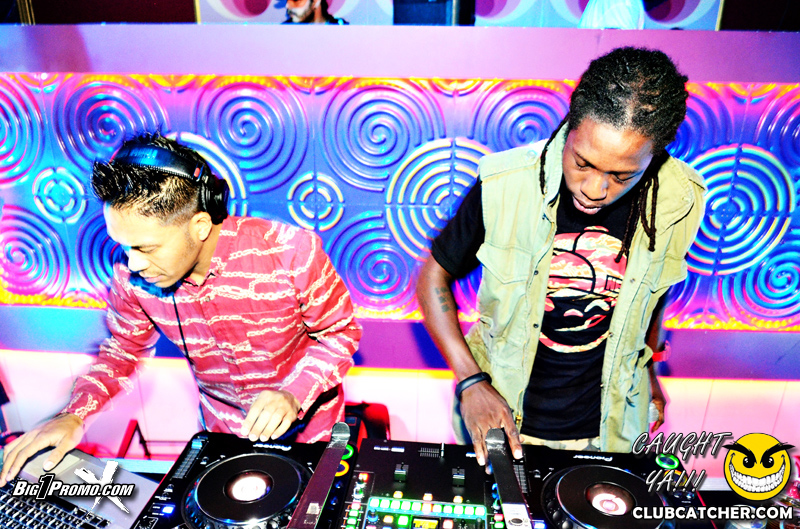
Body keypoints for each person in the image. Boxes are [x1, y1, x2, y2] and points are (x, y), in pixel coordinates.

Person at [0, 133, 361, 486]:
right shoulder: (132, 278)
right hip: (222, 437)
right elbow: (122, 351)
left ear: (200, 225)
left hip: (311, 436)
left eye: (146, 248)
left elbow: (340, 335)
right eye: (124, 247)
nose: (133, 263)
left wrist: (293, 393)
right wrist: (74, 414)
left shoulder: (291, 252)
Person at [416, 47, 705, 465]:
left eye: (622, 175)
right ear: (571, 125)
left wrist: (649, 369)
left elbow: (655, 295)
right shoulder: (507, 184)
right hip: (503, 417)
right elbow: (432, 279)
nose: (594, 189)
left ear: (655, 155)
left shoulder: (680, 200)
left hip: (612, 426)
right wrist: (471, 381)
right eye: (582, 163)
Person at [283, 0, 348, 24]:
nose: (287, 6)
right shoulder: (283, 31)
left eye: (296, 0)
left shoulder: (342, 28)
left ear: (315, 2)